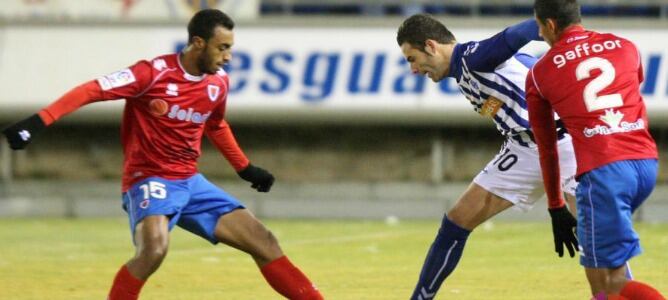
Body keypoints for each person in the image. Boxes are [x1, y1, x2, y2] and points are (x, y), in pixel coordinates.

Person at [1, 9, 323, 300]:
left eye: (230, 48)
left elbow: (216, 124)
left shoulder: (218, 84)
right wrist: (38, 121)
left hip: (190, 182)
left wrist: (245, 168)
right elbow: (91, 89)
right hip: (149, 178)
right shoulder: (150, 74)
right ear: (198, 43)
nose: (228, 57)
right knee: (153, 249)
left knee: (263, 241)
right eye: (222, 48)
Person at [396, 14, 578, 299]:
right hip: (524, 148)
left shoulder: (475, 57)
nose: (414, 69)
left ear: (431, 46)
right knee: (456, 221)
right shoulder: (464, 74)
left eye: (412, 58)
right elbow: (528, 68)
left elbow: (521, 33)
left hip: (565, 143)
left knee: (594, 235)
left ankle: (617, 293)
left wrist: (557, 18)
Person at [527, 1, 665, 299]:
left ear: (550, 25)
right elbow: (631, 92)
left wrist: (555, 205)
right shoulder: (625, 46)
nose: (539, 33)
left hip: (604, 171)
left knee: (613, 281)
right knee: (596, 266)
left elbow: (548, 148)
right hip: (645, 162)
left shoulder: (540, 72)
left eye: (539, 26)